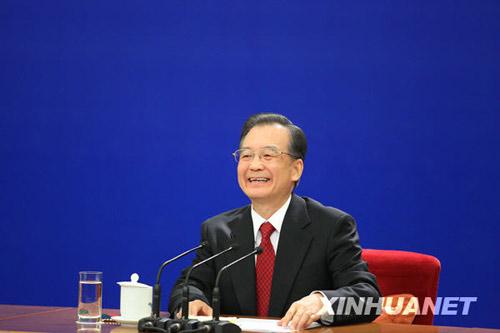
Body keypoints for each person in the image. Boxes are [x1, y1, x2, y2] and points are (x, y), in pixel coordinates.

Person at [169, 113, 380, 328]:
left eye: (268, 155)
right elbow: (188, 286)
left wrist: (321, 302)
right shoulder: (218, 230)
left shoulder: (330, 226)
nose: (255, 165)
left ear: (296, 169)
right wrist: (191, 302)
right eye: (246, 155)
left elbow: (370, 301)